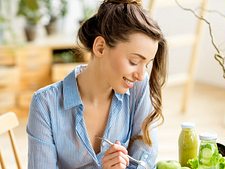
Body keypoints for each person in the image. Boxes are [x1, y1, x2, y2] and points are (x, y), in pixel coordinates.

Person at [26, 0, 168, 168]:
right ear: (100, 47)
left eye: (147, 64)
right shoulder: (45, 104)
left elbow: (146, 155)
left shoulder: (138, 87)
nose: (140, 74)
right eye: (134, 61)